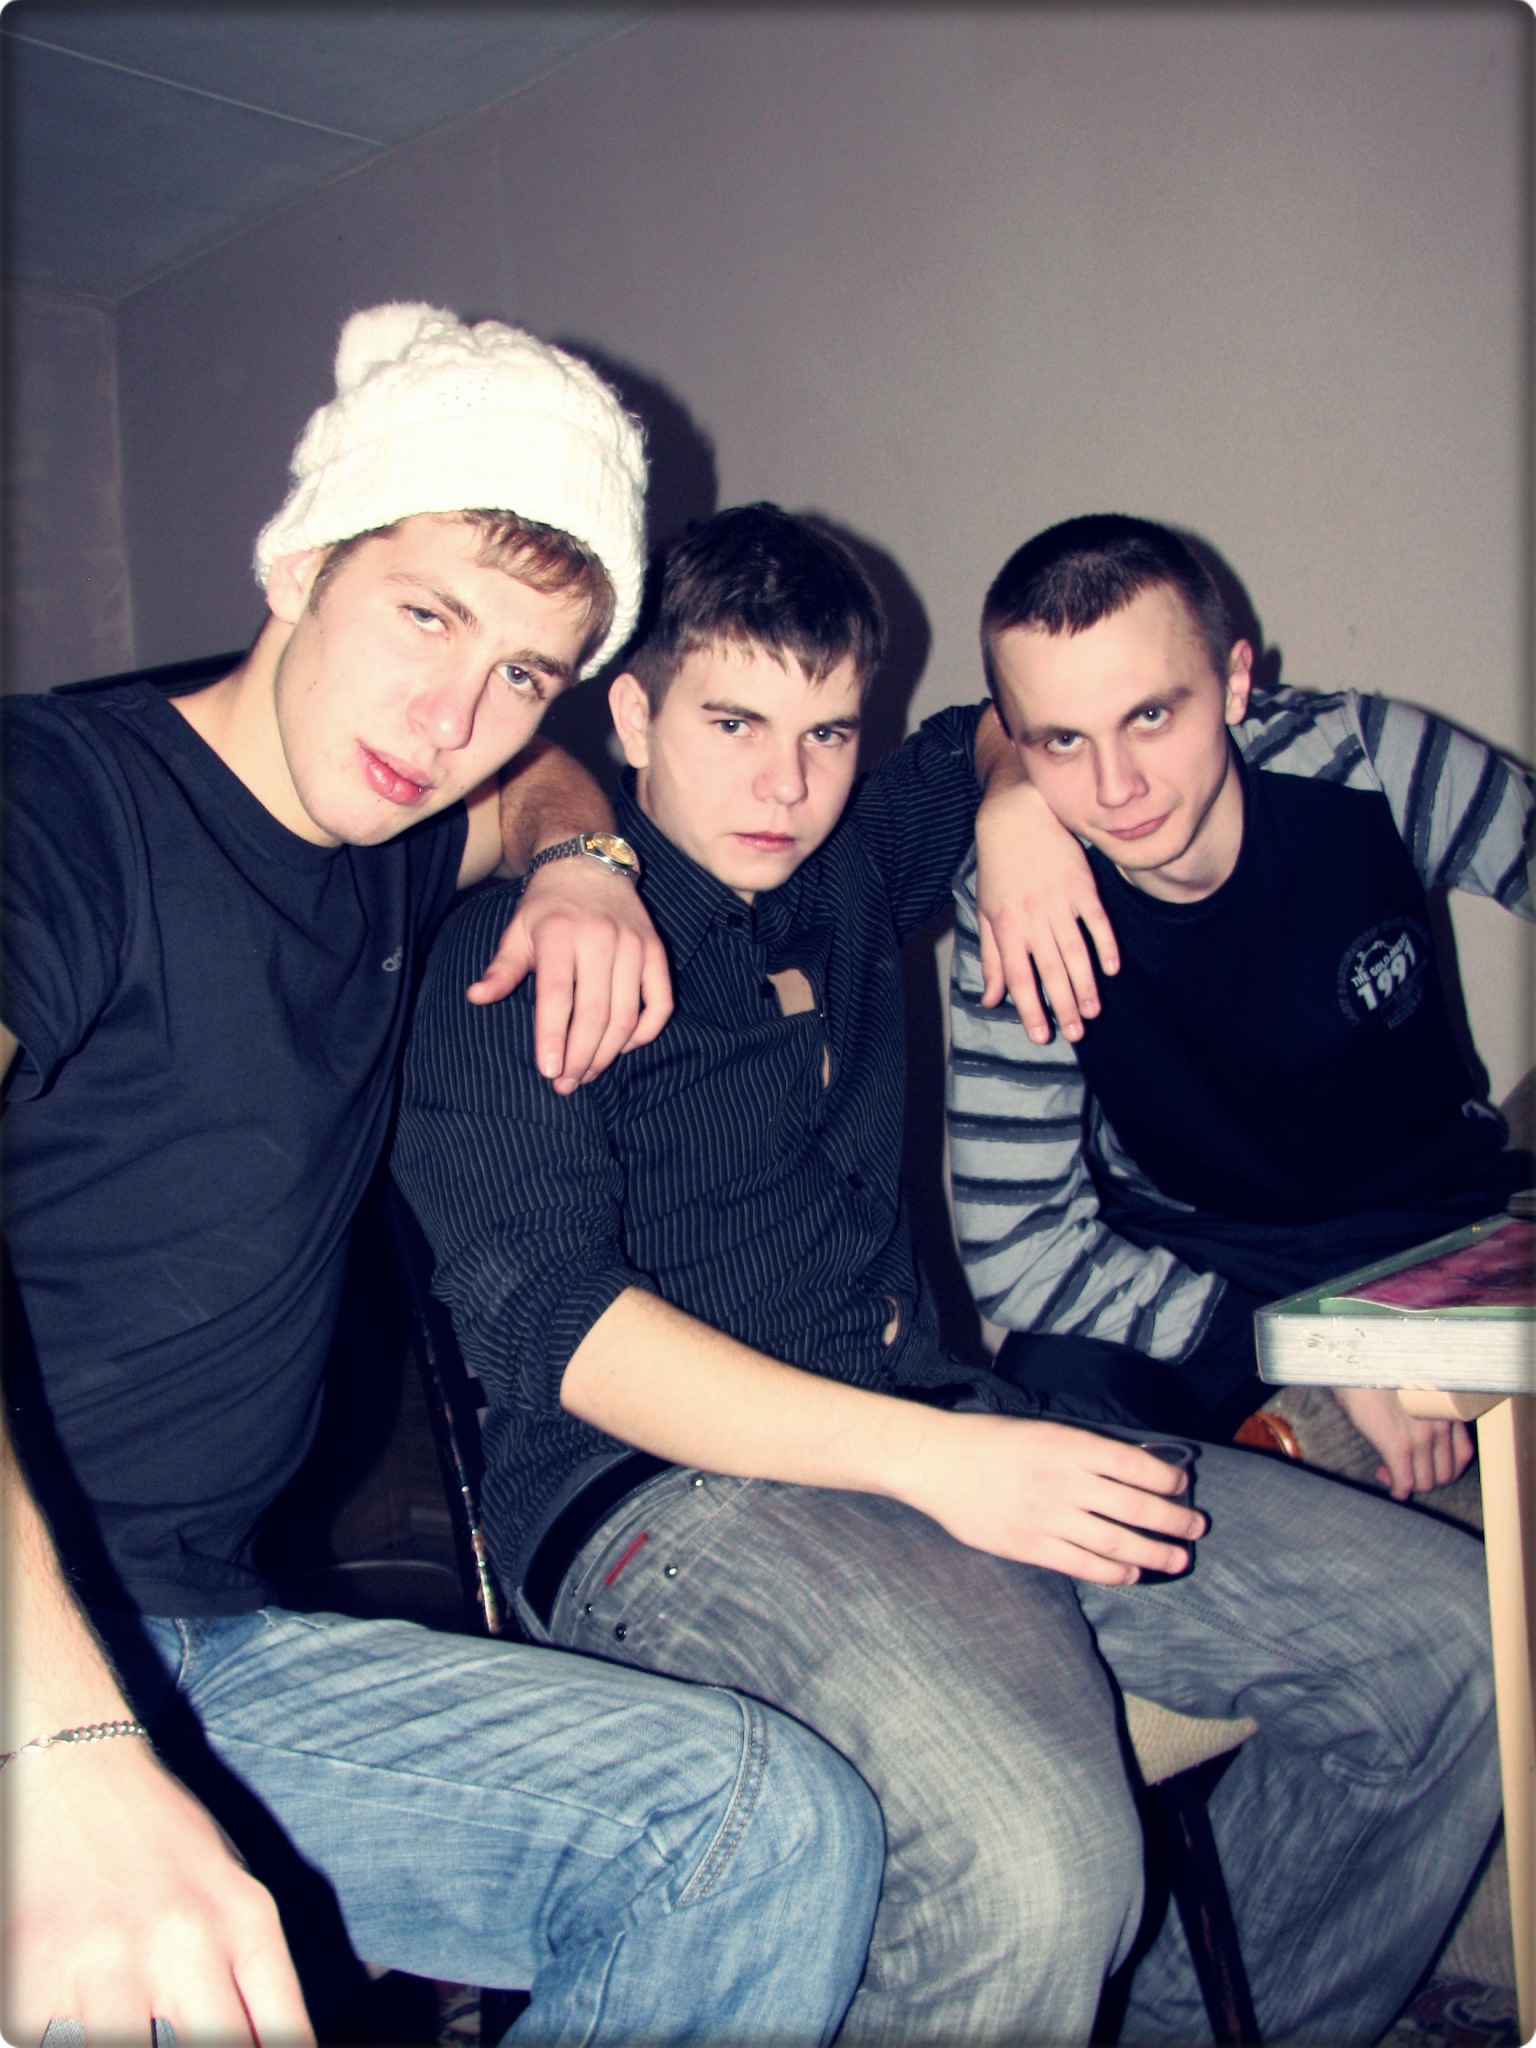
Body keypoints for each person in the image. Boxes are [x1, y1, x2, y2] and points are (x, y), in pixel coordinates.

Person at [395, 501, 1501, 2046]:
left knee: (1453, 1652)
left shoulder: (850, 858)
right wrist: (939, 1461)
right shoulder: (523, 952)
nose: (785, 785)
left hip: (939, 1427)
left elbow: (1009, 722)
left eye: (827, 733)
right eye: (731, 724)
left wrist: (1016, 801)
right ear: (632, 718)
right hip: (665, 1501)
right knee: (1038, 1866)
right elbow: (555, 1332)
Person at [0, 304, 888, 2048]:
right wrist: (58, 1744)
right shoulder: (61, 803)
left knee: (761, 1830)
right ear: (300, 563)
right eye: (426, 615)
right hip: (38, 1649)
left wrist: (582, 857)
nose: (453, 714)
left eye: (526, 670)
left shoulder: (395, 841)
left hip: (202, 1638)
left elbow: (538, 781)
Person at [947, 512, 1534, 1498]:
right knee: (1053, 1434)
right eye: (1063, 740)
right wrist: (1318, 1350)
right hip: (1194, 1249)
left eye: (1150, 715)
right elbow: (1019, 1251)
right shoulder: (1020, 899)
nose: (1117, 786)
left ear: (1233, 681)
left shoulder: (1369, 762)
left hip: (1428, 1219)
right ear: (1018, 740)